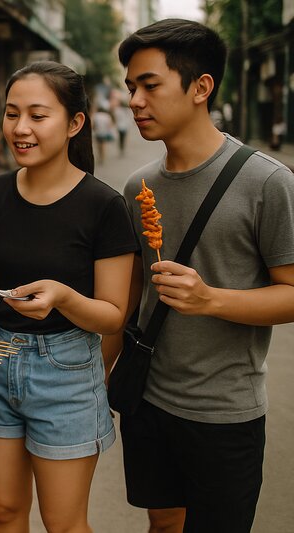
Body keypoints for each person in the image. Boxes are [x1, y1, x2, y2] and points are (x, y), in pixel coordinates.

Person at [103, 19, 294, 532]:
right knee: (163, 525)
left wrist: (210, 299)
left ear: (200, 87)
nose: (135, 101)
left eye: (149, 85)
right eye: (130, 88)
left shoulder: (267, 182)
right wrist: (99, 376)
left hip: (224, 412)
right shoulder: (138, 186)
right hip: (148, 400)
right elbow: (131, 295)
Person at [0, 61, 137, 532]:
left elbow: (112, 316)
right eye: (11, 114)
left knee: (63, 523)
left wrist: (64, 297)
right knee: (3, 512)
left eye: (37, 115)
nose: (20, 128)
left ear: (74, 124)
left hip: (65, 376)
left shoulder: (104, 207)